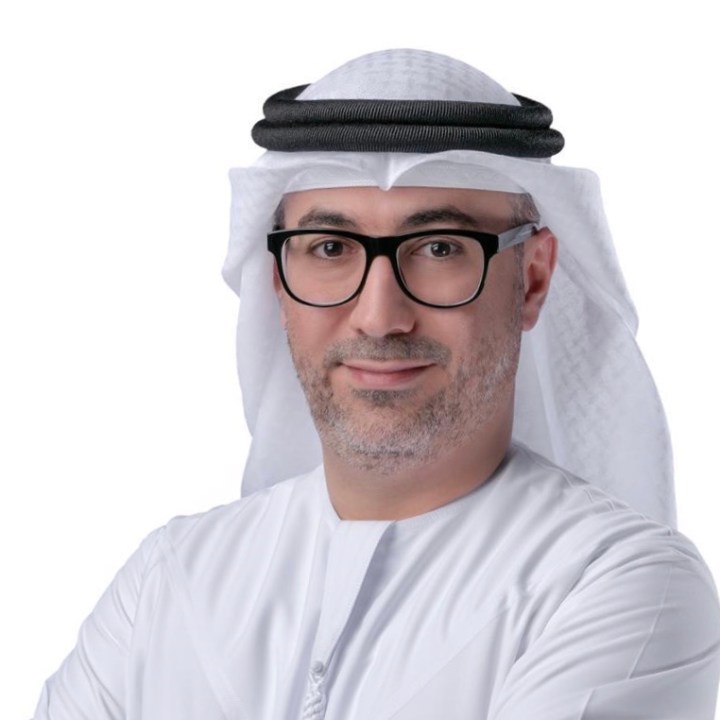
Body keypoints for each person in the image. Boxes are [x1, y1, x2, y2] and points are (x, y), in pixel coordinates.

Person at [33, 49, 720, 720]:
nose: (379, 316)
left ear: (533, 278)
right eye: (330, 249)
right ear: (278, 282)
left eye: (440, 248)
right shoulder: (167, 581)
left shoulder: (618, 583)